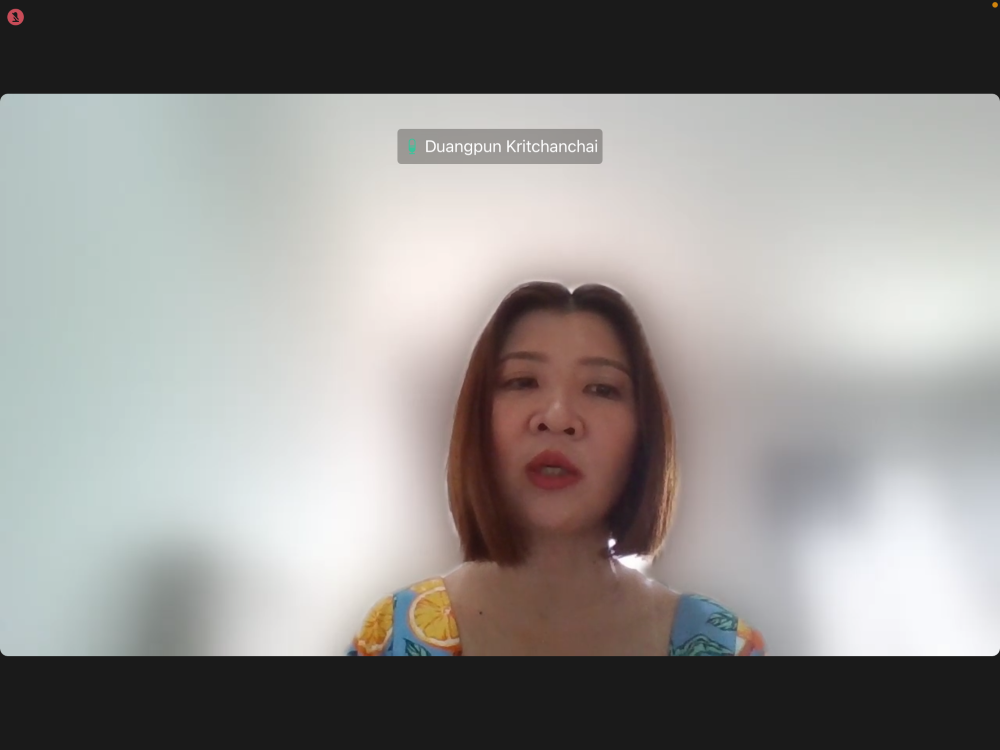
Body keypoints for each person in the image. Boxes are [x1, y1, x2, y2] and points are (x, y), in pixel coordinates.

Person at [346, 281, 767, 656]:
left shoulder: (722, 644)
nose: (558, 416)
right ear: (478, 421)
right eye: (522, 382)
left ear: (644, 436)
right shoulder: (394, 636)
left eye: (601, 388)